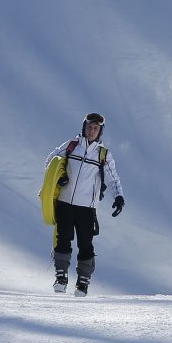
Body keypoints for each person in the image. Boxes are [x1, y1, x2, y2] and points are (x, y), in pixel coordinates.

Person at [44, 112, 125, 296]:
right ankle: (61, 277)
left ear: (100, 131)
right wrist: (60, 176)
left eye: (96, 128)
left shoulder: (103, 154)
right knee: (62, 239)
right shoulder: (72, 146)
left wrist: (119, 197)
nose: (92, 131)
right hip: (65, 203)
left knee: (85, 244)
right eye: (89, 127)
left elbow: (113, 178)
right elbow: (51, 160)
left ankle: (83, 281)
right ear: (84, 127)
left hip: (87, 208)